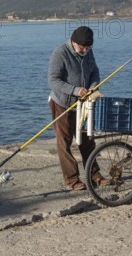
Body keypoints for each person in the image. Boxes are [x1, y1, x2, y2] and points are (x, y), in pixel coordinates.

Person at [47, 26, 109, 191]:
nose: (85, 50)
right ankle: (72, 179)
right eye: (82, 47)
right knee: (64, 142)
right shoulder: (60, 53)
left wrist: (93, 86)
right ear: (73, 42)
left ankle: (94, 175)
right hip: (62, 104)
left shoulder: (88, 51)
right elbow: (53, 80)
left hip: (83, 104)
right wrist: (75, 90)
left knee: (88, 140)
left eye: (88, 47)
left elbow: (94, 71)